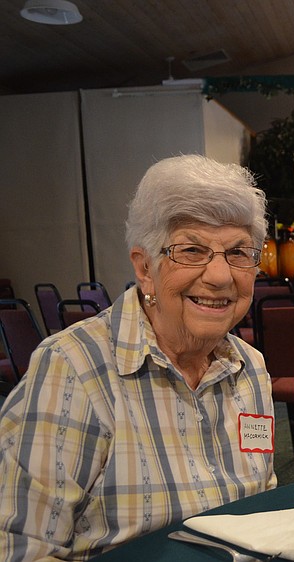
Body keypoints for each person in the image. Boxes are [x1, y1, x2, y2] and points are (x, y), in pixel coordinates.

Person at [0, 155, 277, 560]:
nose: (220, 276)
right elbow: (20, 549)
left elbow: (261, 505)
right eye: (192, 250)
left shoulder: (249, 367)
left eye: (238, 252)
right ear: (145, 268)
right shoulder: (73, 369)